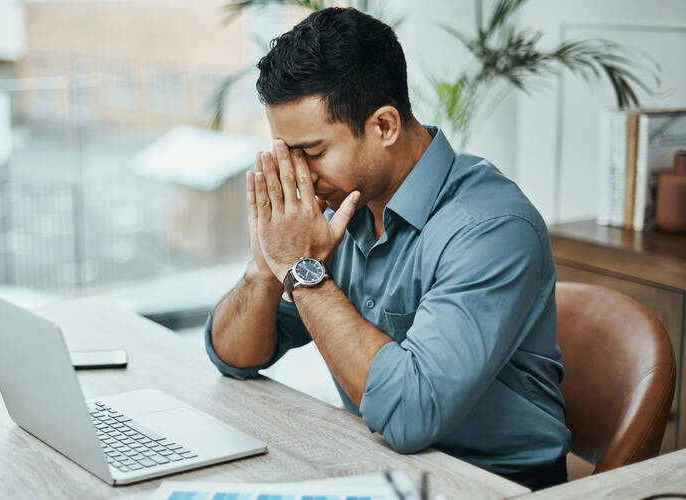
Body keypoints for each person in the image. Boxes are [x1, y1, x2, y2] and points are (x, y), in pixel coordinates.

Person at [204, 7, 571, 491]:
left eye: (313, 152)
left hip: (494, 484)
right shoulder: (339, 210)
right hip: (374, 466)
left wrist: (302, 268)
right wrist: (266, 264)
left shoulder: (492, 228)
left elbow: (410, 416)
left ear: (384, 126)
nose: (301, 175)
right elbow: (234, 356)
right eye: (289, 153)